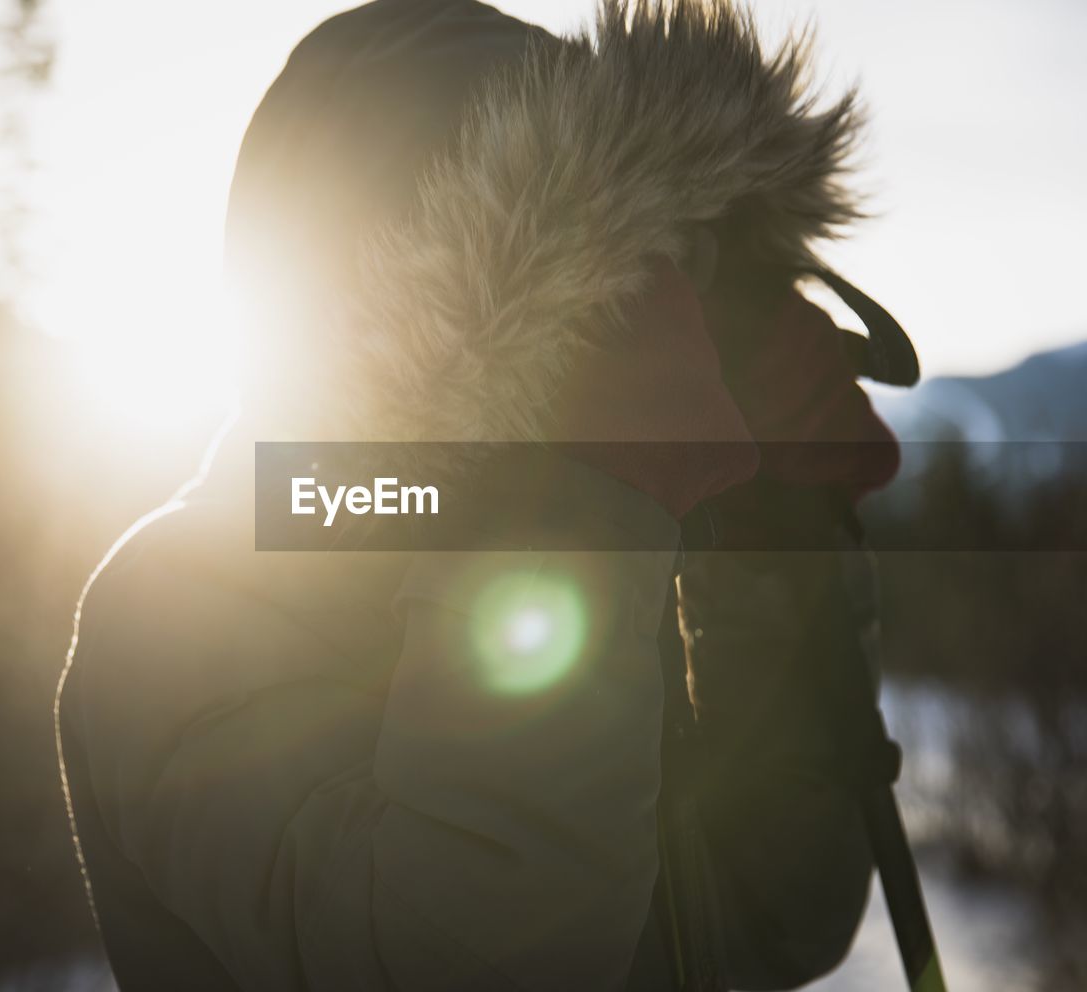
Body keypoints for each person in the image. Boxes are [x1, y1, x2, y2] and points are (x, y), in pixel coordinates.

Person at [56, 2, 908, 988]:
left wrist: (774, 532)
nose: (654, 315)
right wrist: (583, 507)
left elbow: (768, 921)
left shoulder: (606, 558)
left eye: (672, 268)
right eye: (611, 271)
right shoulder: (176, 602)